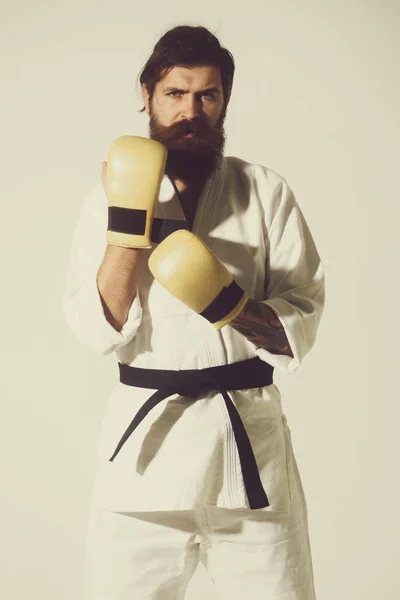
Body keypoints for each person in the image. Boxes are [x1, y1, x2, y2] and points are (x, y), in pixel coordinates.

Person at [63, 24, 325, 600]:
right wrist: (127, 229)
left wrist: (230, 307)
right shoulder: (108, 196)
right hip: (143, 468)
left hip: (250, 461)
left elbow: (301, 320)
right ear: (148, 94)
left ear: (225, 100)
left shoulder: (264, 191)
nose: (191, 111)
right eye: (175, 94)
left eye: (207, 95)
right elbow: (93, 328)